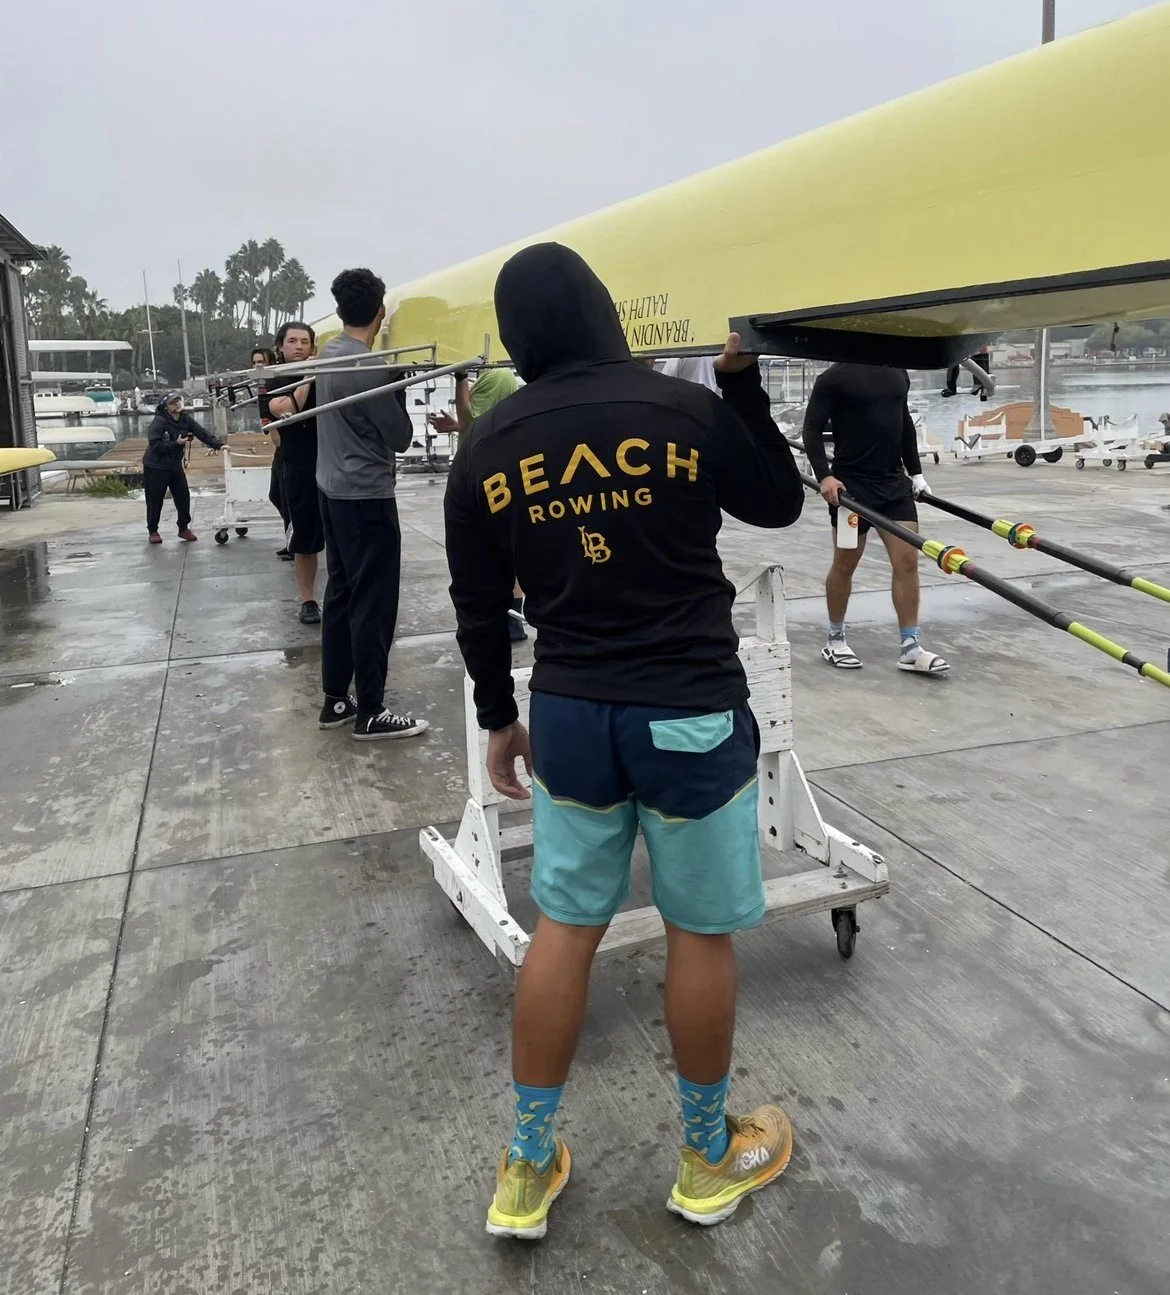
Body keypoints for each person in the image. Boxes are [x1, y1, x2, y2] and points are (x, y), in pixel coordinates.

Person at [444, 242, 805, 1239]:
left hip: (569, 714)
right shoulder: (681, 409)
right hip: (687, 710)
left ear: (518, 340)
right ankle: (704, 1156)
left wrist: (494, 715)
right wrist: (744, 384)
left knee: (565, 927)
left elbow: (477, 606)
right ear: (608, 313)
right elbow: (777, 499)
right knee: (698, 931)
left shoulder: (486, 445)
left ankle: (525, 1166)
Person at [314, 268, 428, 740]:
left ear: (340, 310)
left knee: (341, 594)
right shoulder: (369, 366)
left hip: (331, 490)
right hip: (367, 496)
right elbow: (401, 437)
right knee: (373, 604)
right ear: (381, 311)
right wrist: (397, 384)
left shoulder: (328, 356)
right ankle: (373, 711)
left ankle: (336, 699)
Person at [802, 362, 949, 673]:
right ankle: (835, 638)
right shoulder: (833, 377)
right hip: (851, 488)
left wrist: (917, 473)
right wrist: (825, 477)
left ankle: (910, 646)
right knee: (846, 562)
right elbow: (812, 428)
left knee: (907, 560)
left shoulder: (898, 371)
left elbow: (905, 423)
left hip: (893, 484)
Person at [429, 368, 527, 641]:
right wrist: (457, 426)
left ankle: (506, 619)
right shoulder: (496, 380)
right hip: (494, 468)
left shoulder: (497, 377)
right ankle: (512, 618)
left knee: (483, 551)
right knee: (505, 551)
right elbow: (479, 420)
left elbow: (473, 418)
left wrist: (460, 380)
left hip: (486, 473)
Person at [261, 323, 323, 624]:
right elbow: (285, 408)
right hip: (298, 466)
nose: (299, 346)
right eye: (292, 341)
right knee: (304, 540)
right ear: (280, 347)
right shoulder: (274, 379)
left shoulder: (329, 372)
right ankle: (309, 600)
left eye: (305, 341)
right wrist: (308, 378)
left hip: (331, 463)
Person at [142, 392, 226, 543]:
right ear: (165, 407)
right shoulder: (159, 422)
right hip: (156, 466)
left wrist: (220, 445)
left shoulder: (185, 419)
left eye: (178, 401)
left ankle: (183, 528)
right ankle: (153, 530)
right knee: (155, 499)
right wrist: (176, 443)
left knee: (183, 497)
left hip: (174, 464)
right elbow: (155, 445)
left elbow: (202, 433)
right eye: (173, 403)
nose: (177, 404)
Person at [252, 346, 293, 557]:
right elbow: (263, 410)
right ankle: (293, 537)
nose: (258, 366)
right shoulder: (262, 384)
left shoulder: (277, 380)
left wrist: (274, 429)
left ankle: (295, 541)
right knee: (276, 494)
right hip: (279, 443)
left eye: (262, 362)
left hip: (287, 443)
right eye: (255, 362)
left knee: (286, 495)